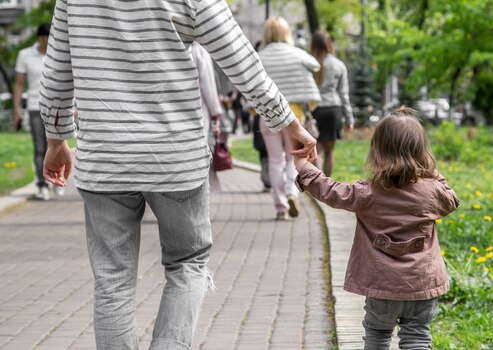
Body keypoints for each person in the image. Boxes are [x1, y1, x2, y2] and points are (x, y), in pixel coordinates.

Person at [39, 1, 316, 349]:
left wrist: (56, 136)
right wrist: (287, 123)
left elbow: (57, 69)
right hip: (175, 156)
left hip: (105, 159)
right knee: (188, 263)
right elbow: (240, 58)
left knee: (112, 280)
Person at [294, 107, 460, 349]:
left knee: (378, 336)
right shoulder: (432, 192)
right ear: (422, 151)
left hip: (382, 286)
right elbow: (451, 199)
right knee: (417, 337)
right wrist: (430, 169)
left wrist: (304, 168)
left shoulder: (368, 193)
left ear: (377, 151)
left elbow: (331, 191)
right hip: (421, 285)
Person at [258, 16, 321, 220]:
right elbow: (315, 65)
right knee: (293, 157)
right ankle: (292, 192)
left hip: (267, 116)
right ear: (286, 33)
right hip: (294, 116)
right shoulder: (297, 54)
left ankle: (280, 207)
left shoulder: (259, 56)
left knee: (275, 160)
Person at [13, 23, 64, 200]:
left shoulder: (59, 54)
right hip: (35, 106)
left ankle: (57, 180)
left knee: (57, 146)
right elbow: (19, 84)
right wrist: (17, 109)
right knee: (40, 147)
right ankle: (42, 185)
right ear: (40, 38)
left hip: (57, 108)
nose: (48, 41)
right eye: (46, 38)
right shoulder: (25, 55)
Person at [311, 30, 355, 177]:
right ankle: (327, 188)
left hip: (314, 110)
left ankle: (316, 184)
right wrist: (349, 119)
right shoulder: (339, 65)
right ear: (329, 44)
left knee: (316, 151)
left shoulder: (309, 63)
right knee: (329, 152)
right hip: (333, 110)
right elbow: (344, 94)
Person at [190, 41, 223, 193]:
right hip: (197, 114)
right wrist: (216, 112)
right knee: (197, 159)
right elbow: (208, 86)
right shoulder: (197, 50)